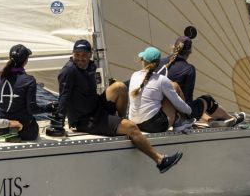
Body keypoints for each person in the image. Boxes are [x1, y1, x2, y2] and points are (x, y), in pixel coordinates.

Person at [55, 39, 183, 173]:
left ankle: (121, 120)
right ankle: (160, 161)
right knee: (131, 127)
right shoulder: (68, 71)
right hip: (85, 119)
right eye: (77, 54)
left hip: (95, 107)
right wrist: (59, 121)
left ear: (90, 55)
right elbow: (64, 96)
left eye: (84, 55)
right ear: (73, 54)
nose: (80, 58)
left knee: (120, 87)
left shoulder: (91, 66)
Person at [159, 36, 245, 127]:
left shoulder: (160, 62)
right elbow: (187, 104)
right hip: (175, 115)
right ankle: (231, 119)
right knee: (207, 100)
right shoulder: (189, 69)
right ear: (190, 52)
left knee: (195, 105)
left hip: (157, 112)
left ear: (173, 47)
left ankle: (211, 120)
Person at [128, 47, 192, 133]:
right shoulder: (161, 80)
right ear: (159, 63)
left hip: (134, 124)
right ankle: (183, 121)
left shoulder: (134, 75)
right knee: (174, 87)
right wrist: (190, 111)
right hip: (154, 126)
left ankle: (178, 120)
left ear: (142, 61)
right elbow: (178, 103)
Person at [0, 44, 48, 141]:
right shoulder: (29, 80)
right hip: (25, 132)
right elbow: (32, 109)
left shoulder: (1, 77)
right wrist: (49, 108)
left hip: (2, 130)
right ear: (26, 61)